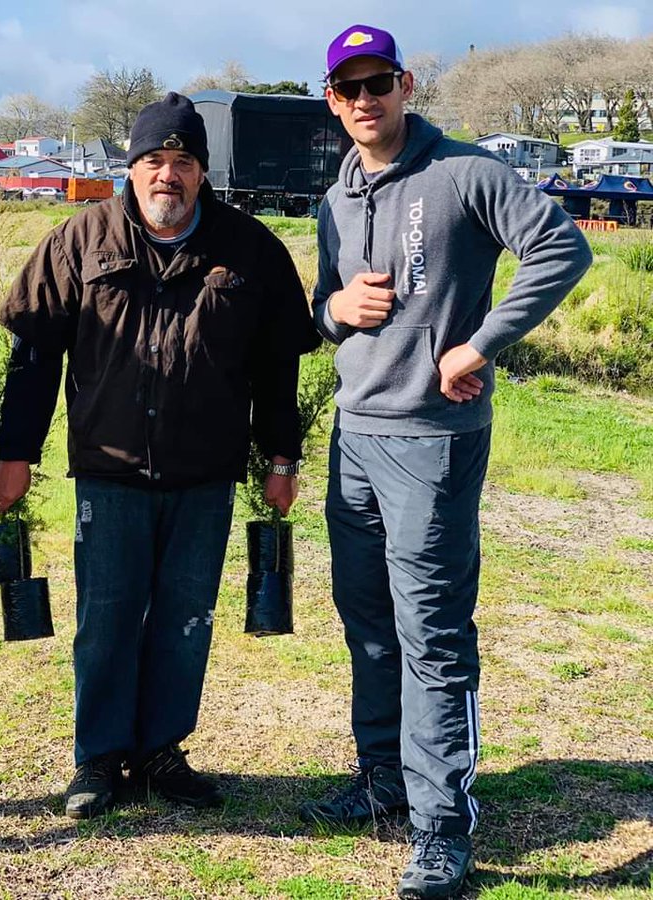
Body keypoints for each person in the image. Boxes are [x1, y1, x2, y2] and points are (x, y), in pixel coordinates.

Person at [303, 24, 592, 899]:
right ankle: (383, 777)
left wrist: (480, 343)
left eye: (379, 83)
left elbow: (561, 248)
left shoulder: (464, 171)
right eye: (348, 88)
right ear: (331, 99)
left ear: (406, 84)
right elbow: (325, 309)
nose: (365, 100)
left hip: (433, 441)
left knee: (432, 634)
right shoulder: (335, 196)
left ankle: (442, 828)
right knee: (366, 619)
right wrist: (333, 309)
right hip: (354, 435)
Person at [0, 92, 320, 820]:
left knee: (185, 616)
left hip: (206, 473)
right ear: (130, 169)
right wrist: (16, 453)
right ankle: (100, 759)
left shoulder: (250, 249)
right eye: (153, 162)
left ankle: (164, 750)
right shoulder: (79, 242)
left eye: (183, 162)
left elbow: (277, 370)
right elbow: (34, 358)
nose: (167, 176)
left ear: (203, 172)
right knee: (105, 617)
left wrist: (282, 460)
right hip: (108, 471)